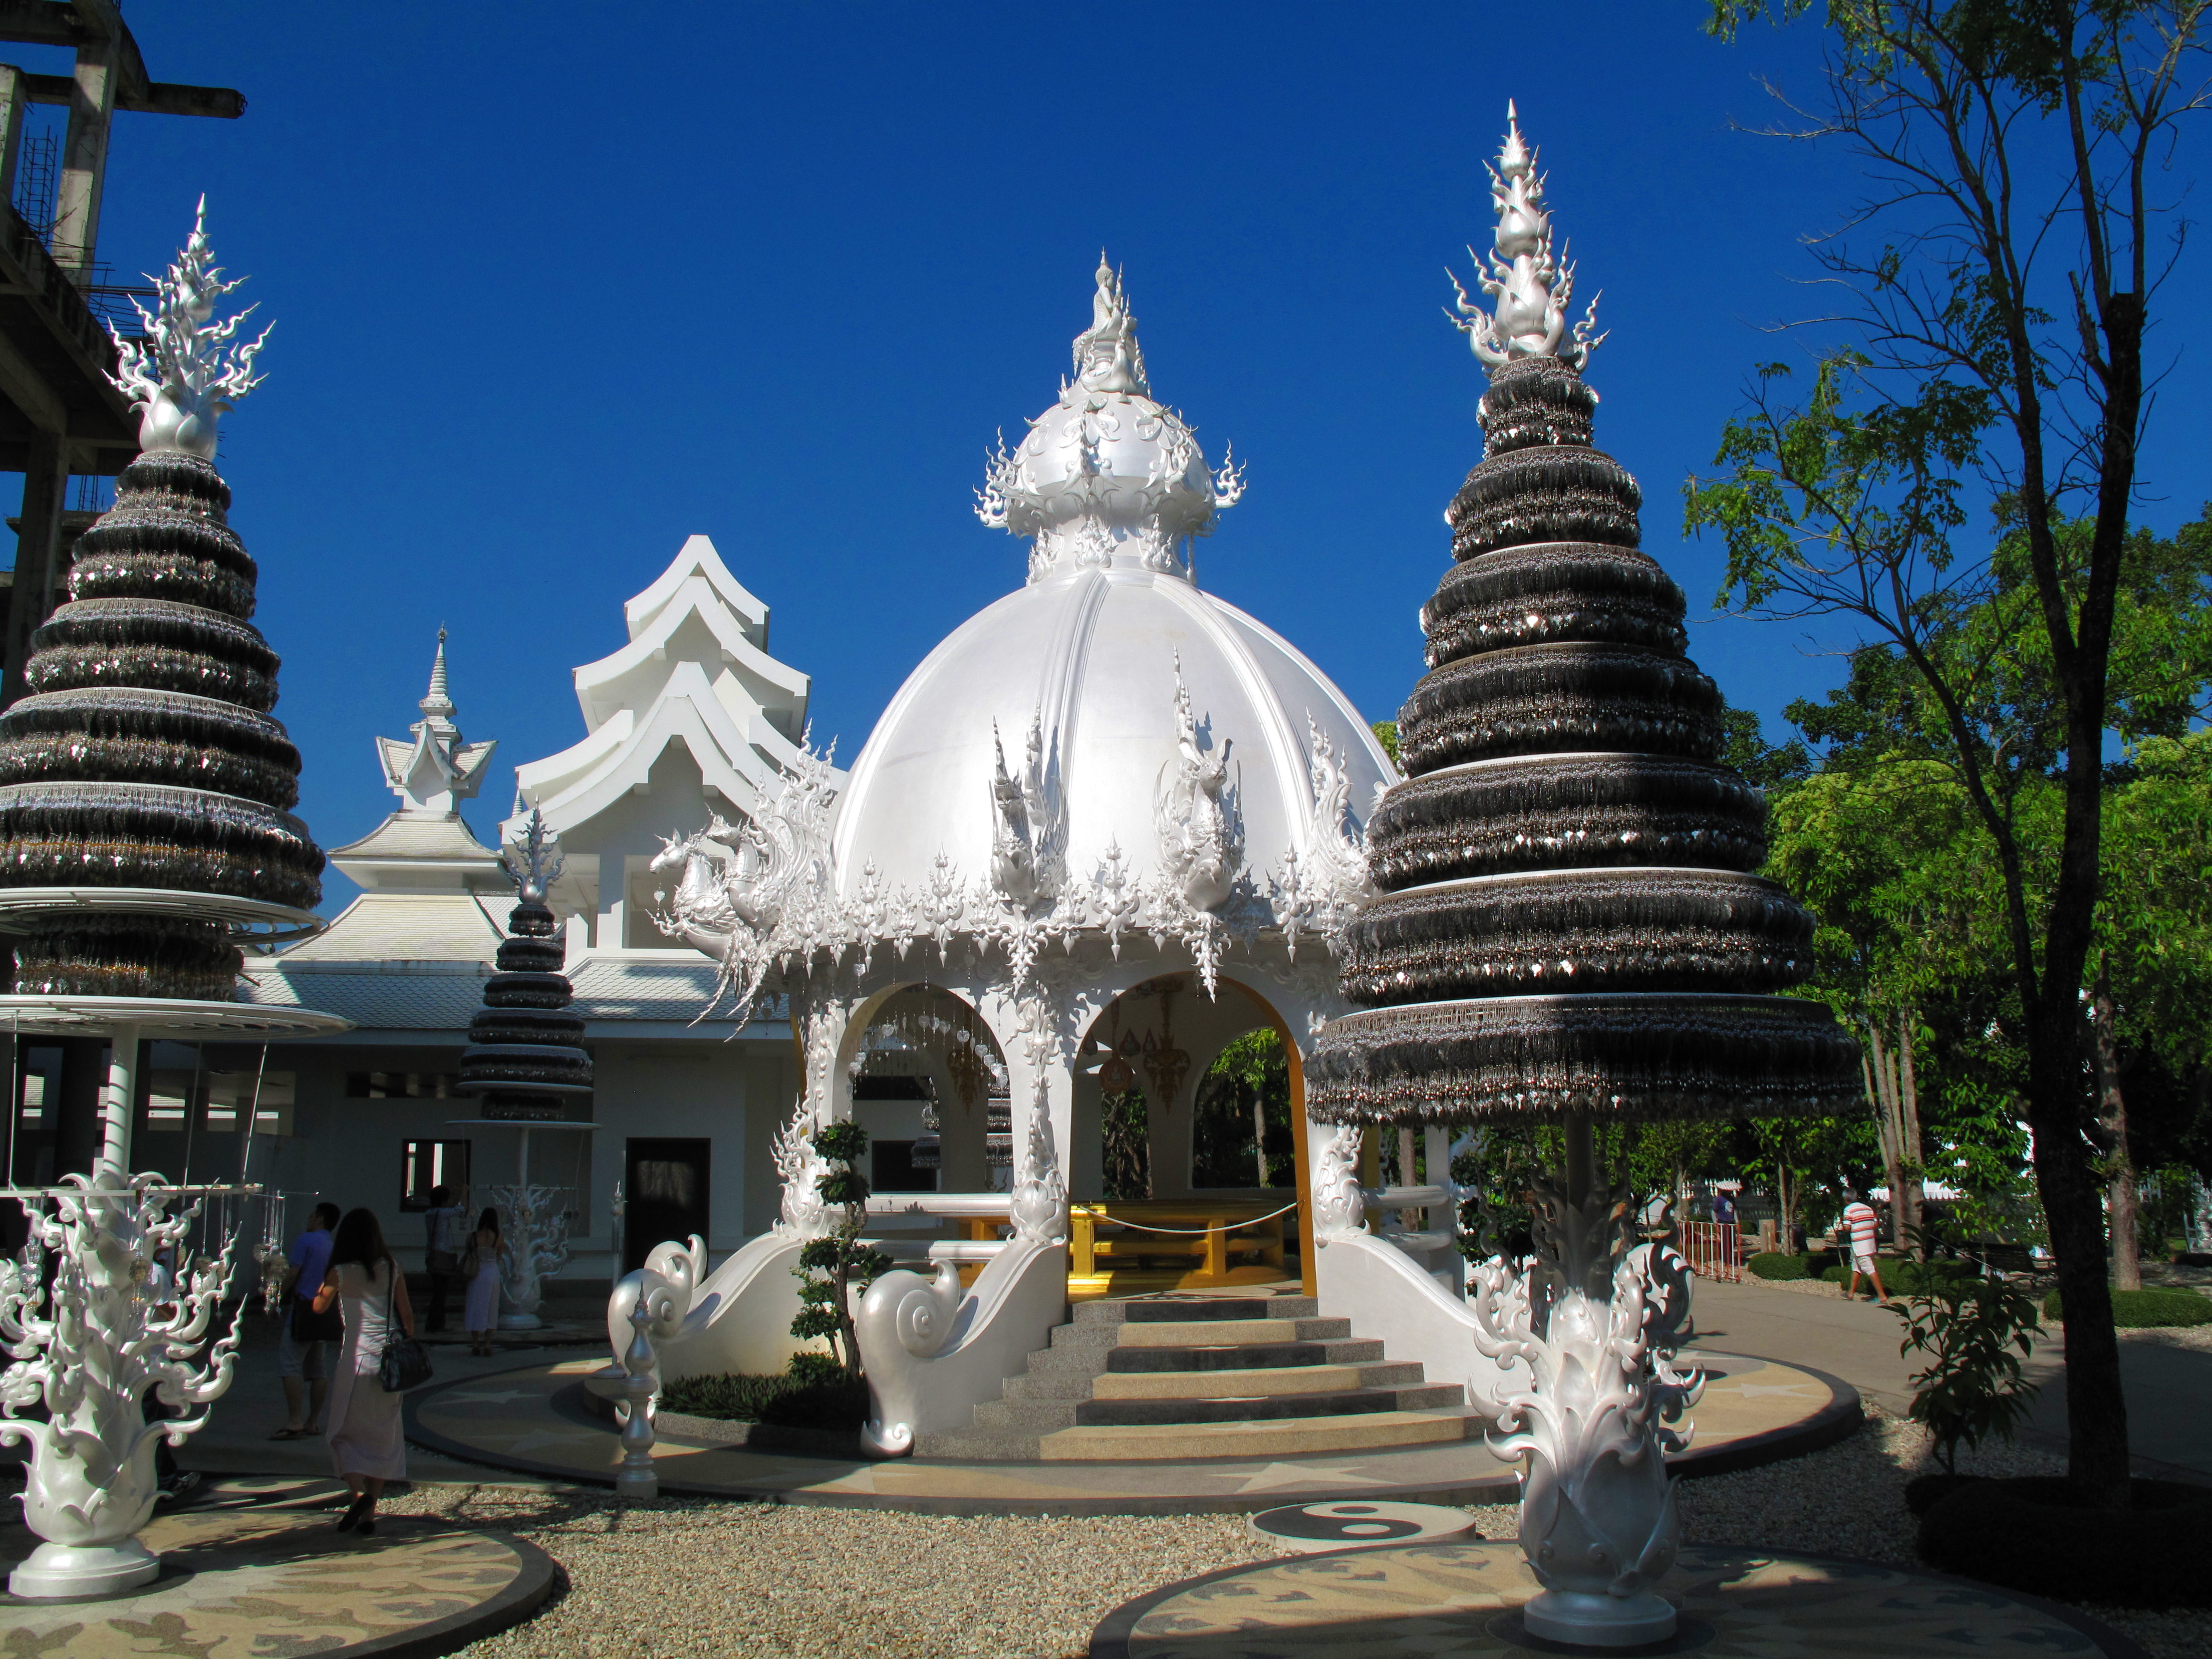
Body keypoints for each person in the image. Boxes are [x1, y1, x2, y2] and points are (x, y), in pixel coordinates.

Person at [314, 1207, 414, 1535]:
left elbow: (318, 1306)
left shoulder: (340, 1272)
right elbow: (408, 1318)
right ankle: (370, 1514)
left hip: (355, 1360)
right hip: (388, 1363)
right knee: (383, 1437)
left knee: (340, 1432)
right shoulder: (393, 1267)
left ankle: (357, 1494)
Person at [272, 1202, 342, 1441]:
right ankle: (313, 1421)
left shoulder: (306, 1240)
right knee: (318, 1368)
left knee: (290, 1364)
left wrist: (277, 1294)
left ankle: (294, 1420)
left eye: (312, 1215)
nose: (309, 1219)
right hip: (324, 1310)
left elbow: (292, 1273)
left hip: (303, 1309)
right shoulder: (332, 1246)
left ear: (319, 1219)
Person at [421, 1184, 468, 1334]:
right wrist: (464, 1193)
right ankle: (438, 1324)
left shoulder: (430, 1213)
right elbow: (461, 1209)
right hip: (442, 1256)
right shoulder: (443, 1214)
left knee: (437, 1293)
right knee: (441, 1294)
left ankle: (432, 1323)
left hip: (431, 1255)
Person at [461, 1207, 505, 1357]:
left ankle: (475, 1343)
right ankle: (487, 1344)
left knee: (475, 1306)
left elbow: (468, 1253)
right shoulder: (499, 1237)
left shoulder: (472, 1237)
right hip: (492, 1273)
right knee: (491, 1308)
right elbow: (499, 1256)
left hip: (476, 1274)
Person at [1841, 1192, 1888, 1302]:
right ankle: (1850, 1293)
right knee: (1856, 1267)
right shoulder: (1868, 1208)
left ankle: (1882, 1296)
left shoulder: (1848, 1210)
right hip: (1870, 1243)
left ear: (1845, 1199)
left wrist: (1843, 1225)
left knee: (1869, 1269)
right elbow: (1875, 1225)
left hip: (1860, 1244)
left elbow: (1847, 1228)